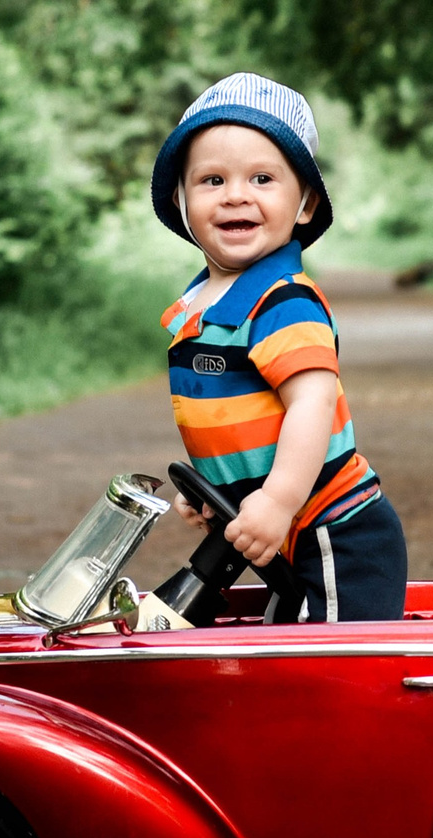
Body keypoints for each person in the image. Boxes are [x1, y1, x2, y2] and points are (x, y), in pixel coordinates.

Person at [150, 73, 409, 623]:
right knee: (280, 655)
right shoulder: (200, 304)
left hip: (335, 531)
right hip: (282, 531)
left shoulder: (282, 302)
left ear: (306, 203)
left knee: (333, 667)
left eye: (262, 178)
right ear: (182, 199)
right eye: (212, 180)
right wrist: (216, 492)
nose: (236, 194)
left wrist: (278, 500)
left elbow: (311, 405)